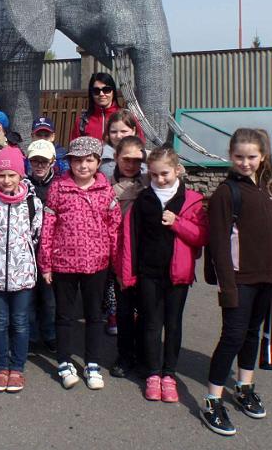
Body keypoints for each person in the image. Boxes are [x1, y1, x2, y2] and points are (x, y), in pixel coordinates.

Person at [201, 128, 272, 436]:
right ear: (230, 155)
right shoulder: (226, 193)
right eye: (239, 156)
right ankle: (212, 401)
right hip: (239, 279)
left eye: (251, 156)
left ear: (262, 157)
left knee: (252, 335)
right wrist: (227, 287)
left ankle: (244, 386)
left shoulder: (266, 189)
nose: (245, 162)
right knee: (232, 338)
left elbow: (268, 228)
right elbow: (219, 245)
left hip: (267, 277)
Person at [116, 146, 208, 403]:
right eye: (154, 175)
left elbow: (202, 236)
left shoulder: (191, 200)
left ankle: (169, 374)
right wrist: (128, 273)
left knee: (173, 323)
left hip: (178, 275)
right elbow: (131, 239)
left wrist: (177, 222)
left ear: (177, 170)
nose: (160, 179)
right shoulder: (143, 200)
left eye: (165, 174)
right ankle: (153, 373)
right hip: (149, 273)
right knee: (151, 323)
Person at [38, 136, 121, 390]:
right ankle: (64, 361)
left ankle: (92, 363)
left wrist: (116, 263)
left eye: (89, 160)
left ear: (98, 162)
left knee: (95, 316)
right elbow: (48, 227)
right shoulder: (58, 188)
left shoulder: (106, 190)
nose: (83, 166)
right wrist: (46, 263)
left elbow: (114, 227)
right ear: (70, 162)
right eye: (77, 161)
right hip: (63, 262)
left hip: (97, 263)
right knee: (64, 315)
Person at [0, 147, 43, 393]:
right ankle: (1, 366)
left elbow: (35, 235)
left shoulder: (32, 203)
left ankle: (17, 368)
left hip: (22, 273)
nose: (6, 180)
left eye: (11, 175)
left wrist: (22, 257)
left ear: (20, 175)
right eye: (1, 175)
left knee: (20, 322)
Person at [109, 135, 148, 378]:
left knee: (146, 309)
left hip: (145, 253)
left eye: (137, 160)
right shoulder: (106, 184)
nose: (131, 165)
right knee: (123, 310)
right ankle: (124, 356)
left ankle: (143, 356)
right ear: (116, 157)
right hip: (119, 254)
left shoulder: (150, 180)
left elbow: (178, 172)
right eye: (126, 159)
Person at [25, 139, 57, 351]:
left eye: (43, 161)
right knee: (29, 297)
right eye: (35, 160)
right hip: (27, 248)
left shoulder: (59, 185)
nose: (39, 165)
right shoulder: (23, 185)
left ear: (52, 161)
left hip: (51, 249)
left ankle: (50, 333)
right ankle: (32, 335)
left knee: (49, 298)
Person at [69, 72, 119, 142]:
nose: (101, 94)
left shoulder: (126, 117)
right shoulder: (82, 122)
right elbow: (74, 147)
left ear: (113, 91)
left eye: (106, 90)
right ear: (91, 93)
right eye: (96, 91)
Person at [99, 109, 146, 183]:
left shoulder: (145, 156)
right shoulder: (100, 156)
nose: (118, 136)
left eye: (123, 131)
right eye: (113, 132)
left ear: (133, 131)